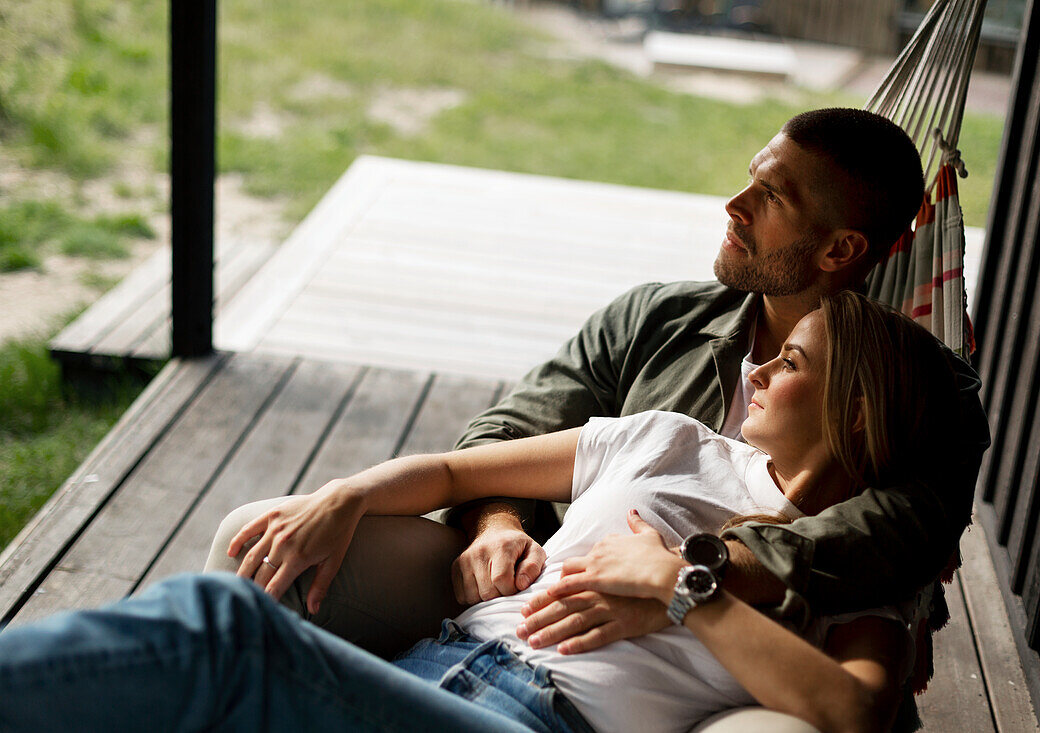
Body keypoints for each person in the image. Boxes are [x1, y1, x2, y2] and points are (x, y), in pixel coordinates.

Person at [206, 108, 988, 660]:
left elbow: (897, 534)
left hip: (723, 649)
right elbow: (507, 430)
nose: (734, 205)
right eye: (752, 178)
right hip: (541, 595)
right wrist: (497, 527)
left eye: (772, 197)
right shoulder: (659, 316)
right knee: (262, 538)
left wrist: (688, 576)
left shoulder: (923, 392)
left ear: (839, 248)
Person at [0, 292, 959, 733]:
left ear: (856, 409)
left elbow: (853, 710)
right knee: (227, 628)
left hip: (535, 720)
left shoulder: (860, 559)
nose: (754, 364)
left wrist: (682, 591)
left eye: (789, 362)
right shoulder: (669, 439)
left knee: (221, 632)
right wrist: (344, 497)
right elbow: (458, 474)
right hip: (424, 661)